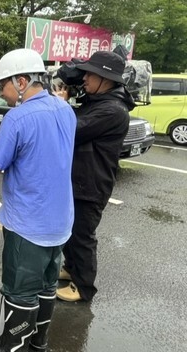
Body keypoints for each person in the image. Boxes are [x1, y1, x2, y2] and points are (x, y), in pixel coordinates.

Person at [0, 48, 76, 352]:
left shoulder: (17, 118)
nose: (1, 93)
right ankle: (38, 342)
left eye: (2, 85)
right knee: (47, 284)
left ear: (21, 81)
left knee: (19, 288)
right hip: (60, 221)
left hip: (28, 222)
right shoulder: (65, 110)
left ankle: (11, 345)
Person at [55, 51, 133, 302]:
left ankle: (84, 287)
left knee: (82, 235)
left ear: (106, 79)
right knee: (70, 230)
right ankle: (71, 269)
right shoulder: (98, 100)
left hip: (91, 183)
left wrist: (62, 104)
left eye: (90, 74)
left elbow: (73, 130)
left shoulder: (112, 110)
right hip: (80, 179)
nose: (85, 78)